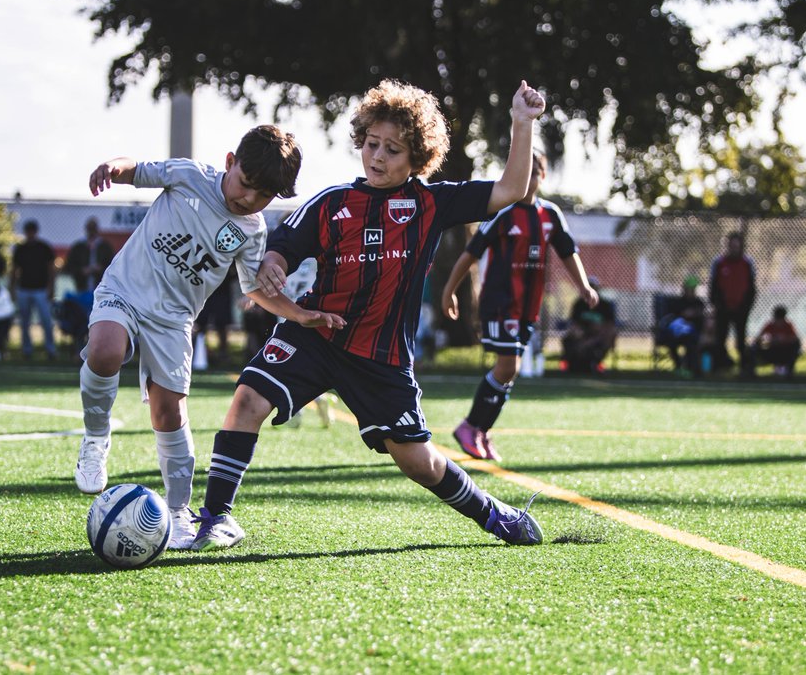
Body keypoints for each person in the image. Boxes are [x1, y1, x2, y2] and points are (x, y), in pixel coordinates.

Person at [190, 79, 548, 553]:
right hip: (315, 334)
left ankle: (493, 514)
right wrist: (274, 267)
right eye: (372, 144)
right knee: (247, 399)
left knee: (418, 462)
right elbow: (281, 248)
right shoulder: (333, 202)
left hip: (381, 358)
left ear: (417, 157)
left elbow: (510, 188)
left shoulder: (431, 203)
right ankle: (214, 518)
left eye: (393, 150)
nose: (377, 157)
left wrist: (521, 124)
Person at [74, 124, 322, 553]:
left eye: (262, 196)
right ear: (230, 163)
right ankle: (96, 440)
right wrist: (113, 167)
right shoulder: (189, 175)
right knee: (105, 350)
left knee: (168, 412)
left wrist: (298, 313)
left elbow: (254, 290)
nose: (248, 199)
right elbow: (139, 170)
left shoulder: (251, 230)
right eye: (245, 184)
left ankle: (176, 512)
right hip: (125, 290)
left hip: (173, 321)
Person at [440, 151, 598, 462]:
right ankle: (469, 426)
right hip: (499, 303)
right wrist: (449, 291)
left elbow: (568, 252)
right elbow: (470, 254)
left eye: (535, 172)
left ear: (543, 176)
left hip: (528, 307)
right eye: (524, 172)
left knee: (508, 373)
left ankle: (480, 430)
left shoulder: (550, 215)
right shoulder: (503, 213)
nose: (529, 178)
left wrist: (583, 286)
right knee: (508, 366)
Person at [11, 219, 59, 361]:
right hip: (24, 289)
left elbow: (51, 269)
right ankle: (27, 350)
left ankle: (50, 349)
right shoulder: (20, 249)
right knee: (24, 322)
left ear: (36, 232)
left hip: (41, 289)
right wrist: (12, 288)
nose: (30, 234)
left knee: (46, 320)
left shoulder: (44, 248)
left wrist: (51, 288)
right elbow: (14, 270)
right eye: (28, 231)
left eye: (32, 231)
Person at [709, 231, 757, 374]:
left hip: (741, 309)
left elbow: (751, 287)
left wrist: (746, 305)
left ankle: (745, 367)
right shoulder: (719, 263)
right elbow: (713, 286)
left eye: (736, 245)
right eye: (731, 245)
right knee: (720, 339)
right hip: (723, 308)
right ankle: (719, 366)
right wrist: (717, 304)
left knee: (740, 340)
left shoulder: (747, 263)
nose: (734, 248)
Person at [562, 276, 617, 374]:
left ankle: (597, 363)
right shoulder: (579, 304)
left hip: (598, 335)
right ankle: (571, 363)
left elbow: (609, 325)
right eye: (589, 287)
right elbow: (574, 323)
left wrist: (593, 338)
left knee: (609, 334)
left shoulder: (604, 305)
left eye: (594, 287)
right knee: (570, 336)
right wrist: (581, 334)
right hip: (582, 334)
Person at [655, 275, 707, 376]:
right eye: (690, 288)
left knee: (691, 343)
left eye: (693, 289)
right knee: (671, 342)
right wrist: (683, 315)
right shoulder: (677, 302)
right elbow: (671, 319)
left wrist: (694, 315)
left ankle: (691, 368)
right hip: (675, 334)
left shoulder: (699, 303)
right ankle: (678, 366)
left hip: (692, 334)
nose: (692, 291)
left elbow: (701, 318)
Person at [65, 216, 115, 292]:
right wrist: (82, 271)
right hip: (81, 287)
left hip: (101, 286)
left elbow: (112, 264)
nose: (91, 232)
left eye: (93, 229)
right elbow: (70, 265)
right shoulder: (78, 247)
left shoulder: (105, 247)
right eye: (90, 229)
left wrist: (101, 269)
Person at [752, 305, 801, 377]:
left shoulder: (788, 326)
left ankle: (789, 372)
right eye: (778, 318)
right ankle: (750, 371)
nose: (779, 321)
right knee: (754, 347)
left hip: (785, 352)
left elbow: (795, 339)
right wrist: (770, 341)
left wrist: (783, 340)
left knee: (796, 346)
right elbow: (759, 339)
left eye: (781, 319)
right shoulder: (770, 325)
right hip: (771, 351)